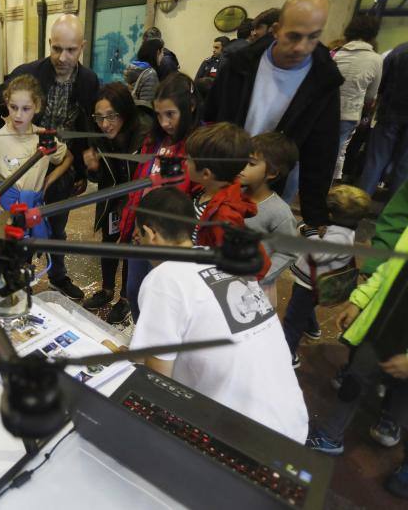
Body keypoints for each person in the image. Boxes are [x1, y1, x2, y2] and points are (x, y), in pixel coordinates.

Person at [130, 187, 309, 443]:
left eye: (138, 233)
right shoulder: (221, 258)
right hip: (292, 424)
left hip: (244, 440)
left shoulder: (165, 278)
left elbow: (158, 384)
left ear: (150, 233)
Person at [0, 14, 100, 300]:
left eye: (71, 49)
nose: (62, 56)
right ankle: (19, 277)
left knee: (55, 228)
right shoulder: (29, 74)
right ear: (49, 44)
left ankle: (57, 276)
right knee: (17, 228)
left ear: (82, 47)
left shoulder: (89, 81)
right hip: (25, 169)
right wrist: (14, 141)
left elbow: (87, 128)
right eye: (56, 48)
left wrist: (83, 172)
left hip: (60, 168)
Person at [205, 0, 343, 230]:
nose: (301, 47)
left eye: (313, 37)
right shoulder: (239, 64)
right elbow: (211, 117)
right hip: (222, 173)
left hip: (270, 185)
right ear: (276, 30)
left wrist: (316, 216)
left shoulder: (324, 81)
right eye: (293, 36)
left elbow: (320, 155)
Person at [307, 225, 408, 499]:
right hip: (382, 331)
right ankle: (330, 436)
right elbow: (388, 270)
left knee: (402, 407)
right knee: (353, 381)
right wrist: (359, 300)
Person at [118, 73, 202, 322]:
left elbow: (196, 197)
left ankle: (157, 345)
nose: (164, 122)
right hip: (141, 231)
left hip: (170, 239)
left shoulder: (198, 146)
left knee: (161, 298)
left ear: (191, 106)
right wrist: (133, 223)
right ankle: (141, 334)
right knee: (135, 290)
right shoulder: (153, 141)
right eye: (158, 115)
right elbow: (139, 187)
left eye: (171, 114)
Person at [81, 82, 147, 323]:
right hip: (112, 199)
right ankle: (107, 290)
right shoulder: (99, 136)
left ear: (125, 113)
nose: (105, 124)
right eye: (99, 117)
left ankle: (126, 299)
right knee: (109, 244)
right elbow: (99, 178)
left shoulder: (143, 137)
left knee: (130, 248)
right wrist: (93, 169)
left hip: (136, 202)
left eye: (111, 116)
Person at [283, 185, 370, 367]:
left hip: (309, 285)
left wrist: (312, 233)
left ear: (331, 214)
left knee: (293, 319)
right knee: (304, 308)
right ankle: (313, 329)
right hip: (313, 285)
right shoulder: (344, 230)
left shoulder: (340, 236)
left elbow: (317, 255)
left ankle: (288, 355)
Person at [0, 74, 70, 239]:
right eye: (13, 107)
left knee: (28, 254)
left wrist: (49, 180)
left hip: (32, 209)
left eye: (26, 108)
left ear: (37, 106)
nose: (18, 115)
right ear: (6, 103)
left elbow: (68, 157)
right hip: (6, 212)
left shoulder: (44, 138)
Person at [186, 122, 271, 279]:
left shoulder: (224, 216)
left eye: (189, 160)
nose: (185, 163)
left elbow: (256, 265)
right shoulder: (202, 192)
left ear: (206, 174)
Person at [239, 132, 299, 305]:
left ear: (272, 172)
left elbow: (288, 251)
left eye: (250, 163)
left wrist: (260, 278)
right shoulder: (234, 194)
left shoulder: (279, 212)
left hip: (253, 290)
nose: (241, 167)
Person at [333, 15, 383, 181]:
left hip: (327, 109)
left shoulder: (337, 53)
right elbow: (370, 95)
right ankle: (327, 190)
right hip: (350, 113)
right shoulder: (376, 59)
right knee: (338, 152)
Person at [358, 41, 408, 196]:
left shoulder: (399, 50)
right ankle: (392, 215)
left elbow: (381, 82)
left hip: (390, 113)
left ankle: (359, 205)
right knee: (404, 167)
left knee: (375, 161)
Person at [126, 38, 163, 106]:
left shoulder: (133, 69)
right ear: (158, 52)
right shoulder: (150, 74)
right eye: (162, 52)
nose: (163, 56)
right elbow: (148, 106)